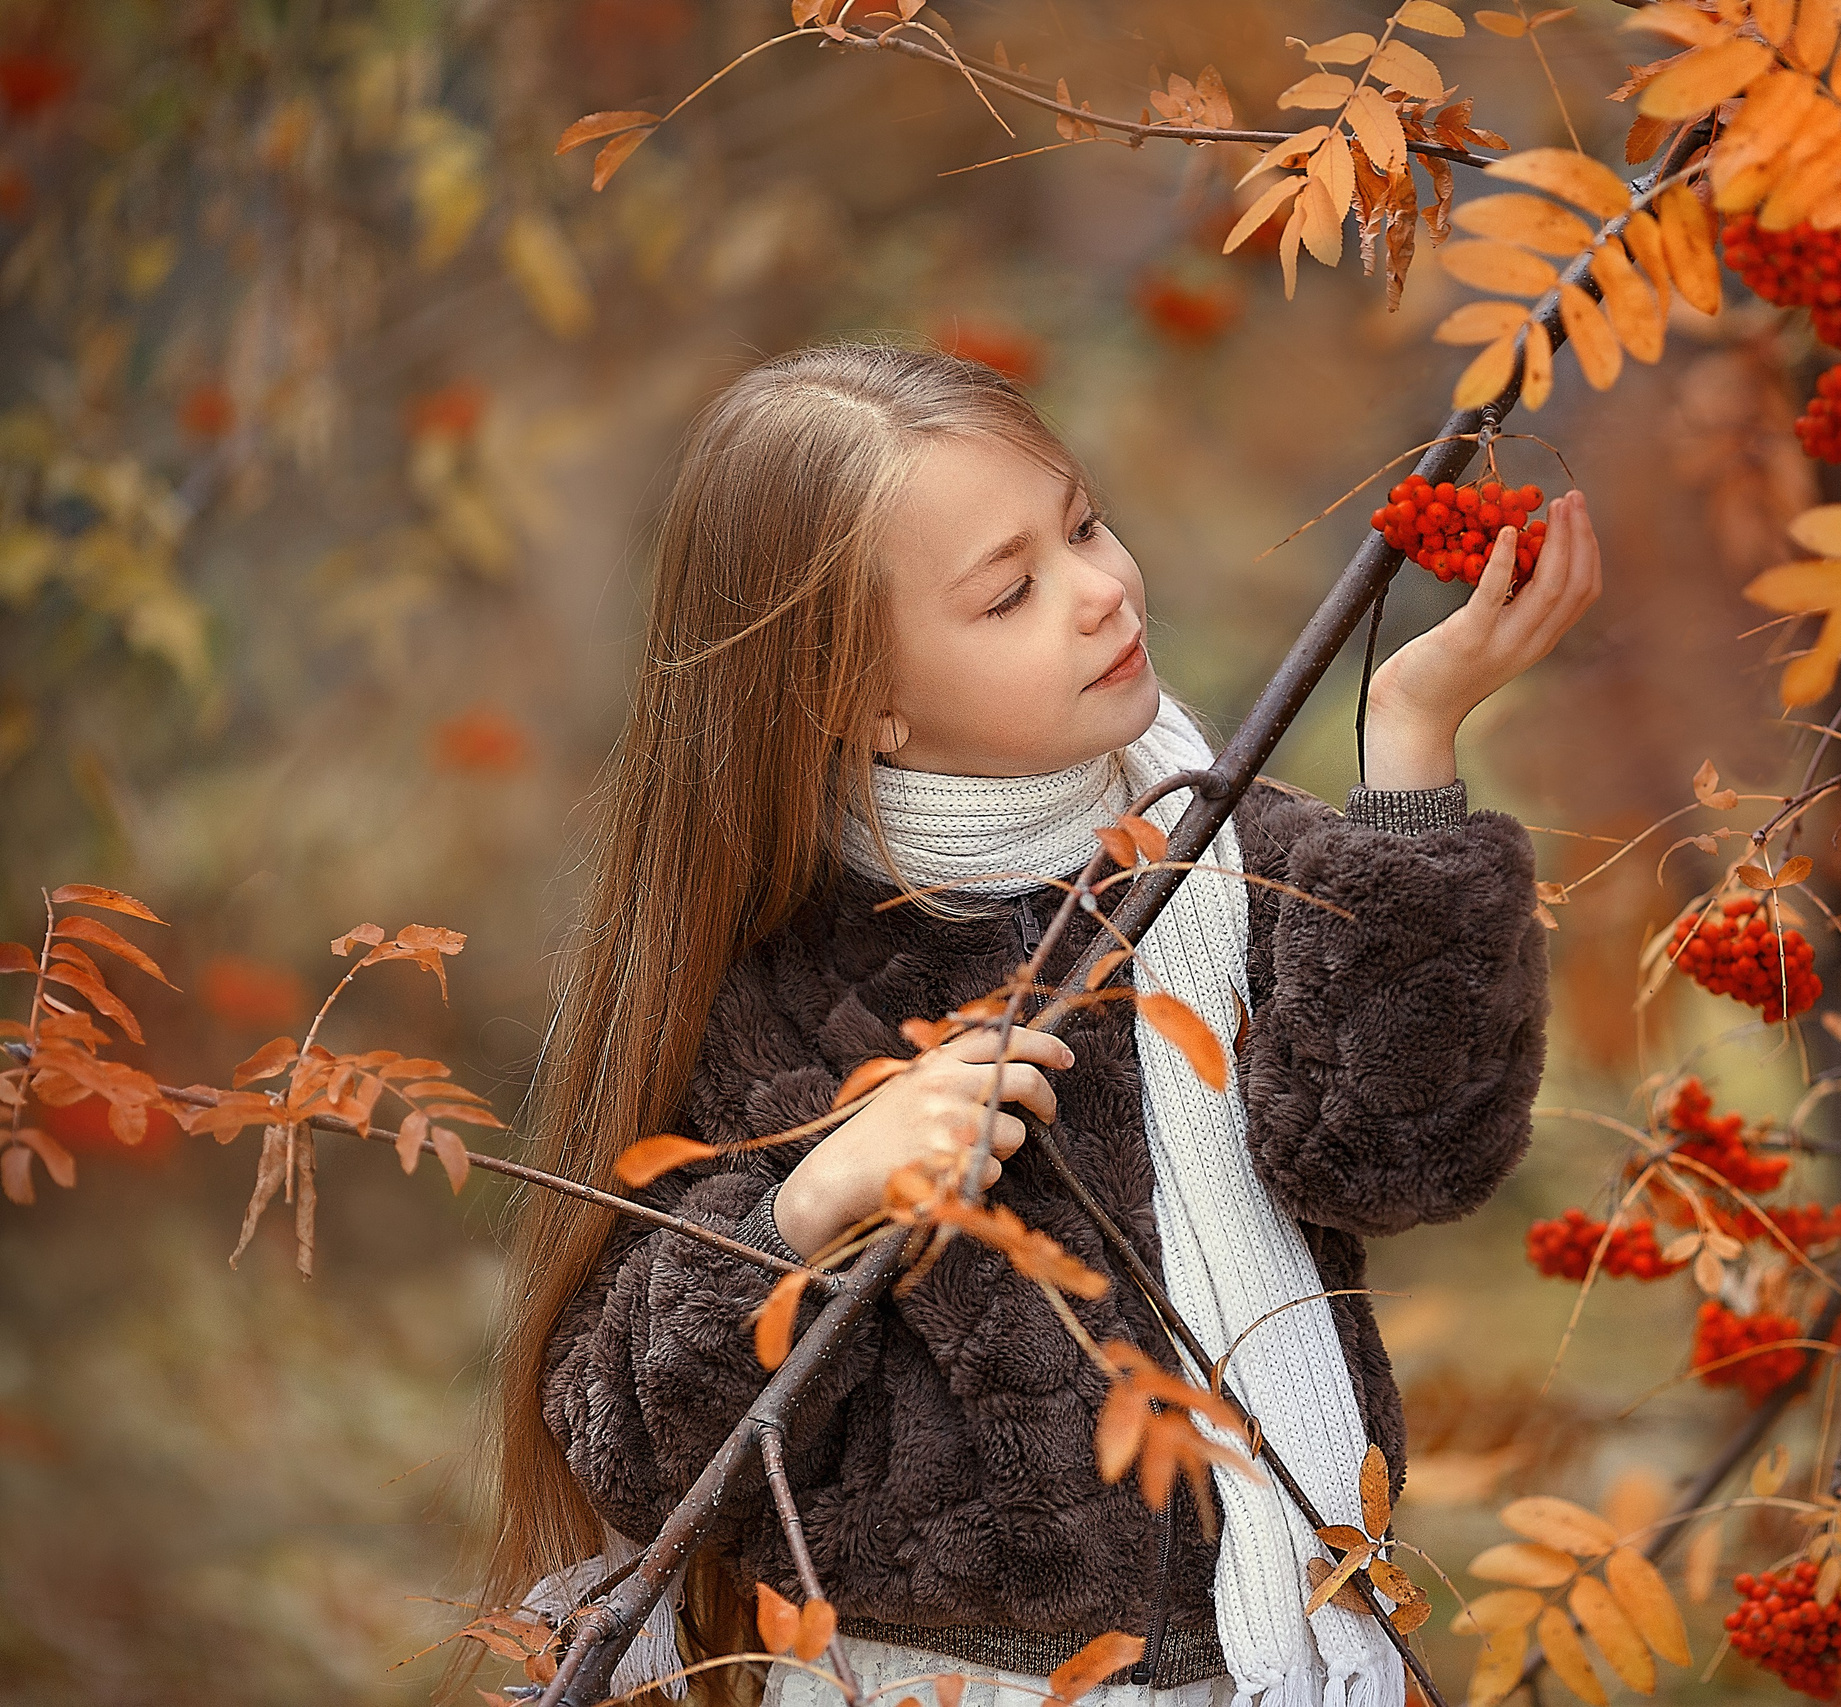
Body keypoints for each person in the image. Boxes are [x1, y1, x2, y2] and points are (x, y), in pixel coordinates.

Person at [467, 339, 1601, 1707]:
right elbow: (638, 1450)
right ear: (858, 702)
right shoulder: (769, 978)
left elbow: (1398, 1156)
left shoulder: (1230, 857)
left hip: (1279, 1662)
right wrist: (812, 1205)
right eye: (1010, 594)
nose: (1101, 591)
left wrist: (1411, 748)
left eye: (1083, 524)